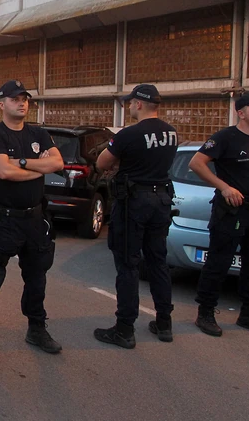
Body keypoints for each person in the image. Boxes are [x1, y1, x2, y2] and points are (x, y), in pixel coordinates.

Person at [0, 80, 65, 361]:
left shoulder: (38, 133)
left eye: (24, 98)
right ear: (2, 104)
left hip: (35, 218)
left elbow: (58, 164)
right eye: (14, 99)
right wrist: (39, 166)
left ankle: (36, 328)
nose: (22, 103)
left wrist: (22, 162)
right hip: (5, 219)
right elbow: (4, 173)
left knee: (37, 278)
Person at [190, 90, 249, 338]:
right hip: (233, 213)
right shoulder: (225, 138)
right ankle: (206, 313)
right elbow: (196, 163)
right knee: (218, 263)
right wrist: (224, 187)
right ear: (241, 112)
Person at [93, 84, 178, 348]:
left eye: (130, 102)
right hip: (161, 200)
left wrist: (121, 162)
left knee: (128, 264)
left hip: (134, 203)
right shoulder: (171, 133)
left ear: (139, 104)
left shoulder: (129, 134)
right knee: (157, 261)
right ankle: (164, 323)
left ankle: (124, 329)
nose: (129, 106)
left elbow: (102, 163)